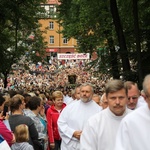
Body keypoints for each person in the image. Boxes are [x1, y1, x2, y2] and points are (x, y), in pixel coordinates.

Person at [80, 80, 131, 150]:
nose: (117, 102)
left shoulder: (137, 119)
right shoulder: (94, 123)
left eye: (121, 97)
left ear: (127, 98)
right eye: (113, 98)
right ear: (106, 98)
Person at [58, 83, 102, 150]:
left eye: (87, 92)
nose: (84, 94)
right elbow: (61, 123)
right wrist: (73, 133)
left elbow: (102, 128)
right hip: (71, 145)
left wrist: (87, 135)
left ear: (92, 93)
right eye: (82, 91)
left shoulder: (99, 110)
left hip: (89, 145)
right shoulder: (70, 107)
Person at [115, 74, 150, 150]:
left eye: (134, 98)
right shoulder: (128, 120)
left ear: (140, 96)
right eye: (128, 98)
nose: (131, 101)